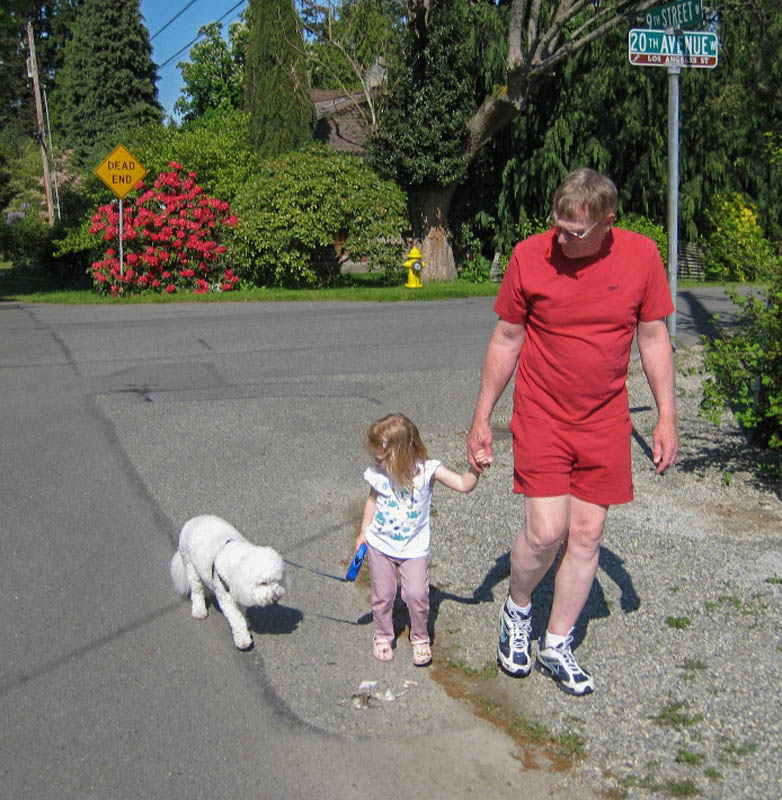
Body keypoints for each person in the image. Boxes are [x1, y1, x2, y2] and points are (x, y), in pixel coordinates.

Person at [466, 167, 678, 696]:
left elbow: (653, 338)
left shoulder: (642, 257)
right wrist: (482, 418)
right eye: (556, 224)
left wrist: (667, 417)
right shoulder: (528, 257)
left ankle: (557, 643)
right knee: (546, 532)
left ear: (608, 222)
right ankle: (517, 614)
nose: (560, 237)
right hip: (541, 414)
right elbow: (507, 337)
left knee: (586, 536)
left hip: (606, 418)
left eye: (574, 230)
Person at [356, 413, 483, 666]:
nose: (376, 462)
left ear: (399, 454)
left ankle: (420, 637)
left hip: (413, 548)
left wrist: (475, 468)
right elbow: (372, 501)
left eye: (380, 458)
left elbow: (463, 484)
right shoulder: (379, 475)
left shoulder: (428, 471)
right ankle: (382, 634)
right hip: (380, 544)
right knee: (383, 594)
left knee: (416, 594)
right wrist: (363, 532)